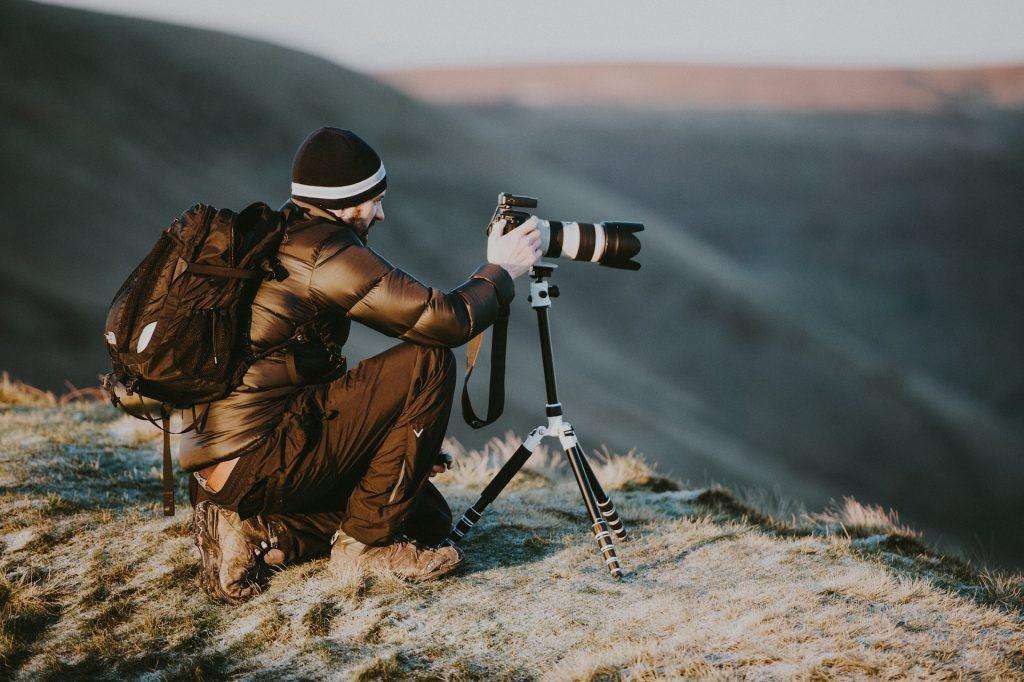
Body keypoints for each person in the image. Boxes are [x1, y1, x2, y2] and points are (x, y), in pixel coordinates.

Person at [183, 127, 542, 602]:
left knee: (424, 515)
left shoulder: (276, 237)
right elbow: (443, 321)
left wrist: (388, 441)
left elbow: (298, 374)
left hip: (219, 462)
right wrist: (500, 270)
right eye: (376, 199)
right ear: (351, 202)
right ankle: (365, 550)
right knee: (428, 362)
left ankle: (260, 533)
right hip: (260, 458)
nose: (382, 212)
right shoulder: (326, 253)